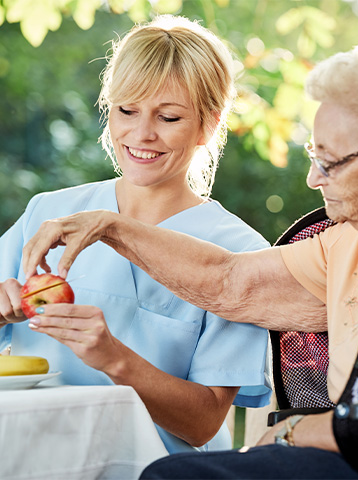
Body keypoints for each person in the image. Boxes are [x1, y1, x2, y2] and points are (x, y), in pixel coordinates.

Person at [21, 42, 358, 478]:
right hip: (352, 456)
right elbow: (228, 282)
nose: (312, 178)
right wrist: (111, 225)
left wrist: (293, 431)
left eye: (331, 162)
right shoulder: (345, 243)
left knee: (170, 476)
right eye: (312, 156)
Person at [0, 15, 273, 455]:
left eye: (168, 117)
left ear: (207, 125)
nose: (141, 134)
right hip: (35, 457)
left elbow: (203, 424)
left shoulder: (241, 254)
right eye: (127, 110)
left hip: (155, 467)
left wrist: (115, 358)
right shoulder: (48, 214)